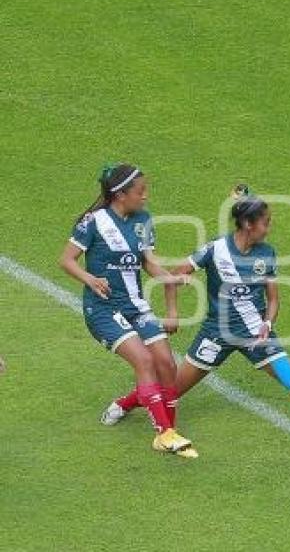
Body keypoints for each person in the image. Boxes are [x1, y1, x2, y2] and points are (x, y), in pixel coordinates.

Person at [103, 186, 290, 460]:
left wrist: (267, 324)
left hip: (256, 336)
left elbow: (274, 300)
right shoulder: (215, 250)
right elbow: (173, 278)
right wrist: (173, 313)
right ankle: (125, 404)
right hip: (216, 335)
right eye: (266, 222)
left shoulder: (267, 254)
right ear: (249, 224)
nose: (269, 228)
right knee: (172, 390)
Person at [60, 164, 198, 458]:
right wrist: (90, 279)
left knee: (167, 365)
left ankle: (130, 408)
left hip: (135, 305)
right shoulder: (93, 222)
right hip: (102, 308)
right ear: (120, 195)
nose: (145, 197)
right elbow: (67, 260)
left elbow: (147, 262)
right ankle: (164, 434)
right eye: (140, 191)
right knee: (145, 360)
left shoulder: (143, 220)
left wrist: (169, 279)